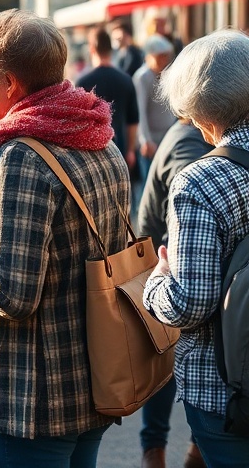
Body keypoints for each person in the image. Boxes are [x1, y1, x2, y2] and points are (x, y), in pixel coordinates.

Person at [0, 9, 129, 467]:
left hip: (34, 398)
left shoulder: (22, 156)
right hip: (96, 375)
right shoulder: (95, 130)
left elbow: (13, 294)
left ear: (9, 84)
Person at [145, 30, 249, 467]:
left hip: (227, 391)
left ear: (201, 113)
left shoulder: (201, 181)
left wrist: (156, 280)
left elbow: (191, 304)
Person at [137, 118, 210, 468]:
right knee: (167, 354)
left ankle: (178, 449)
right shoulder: (189, 143)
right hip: (163, 264)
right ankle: (160, 451)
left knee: (167, 354)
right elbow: (187, 214)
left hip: (163, 259)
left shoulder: (186, 134)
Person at [76, 27, 139, 172]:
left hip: (92, 152)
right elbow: (133, 120)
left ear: (92, 49)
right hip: (121, 149)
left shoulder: (83, 82)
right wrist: (130, 150)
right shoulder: (126, 80)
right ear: (111, 49)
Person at [134, 35, 178, 187]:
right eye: (161, 56)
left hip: (168, 136)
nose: (165, 60)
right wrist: (145, 140)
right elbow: (140, 111)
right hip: (151, 139)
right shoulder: (143, 77)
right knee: (151, 183)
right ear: (151, 56)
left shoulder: (167, 73)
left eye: (167, 56)